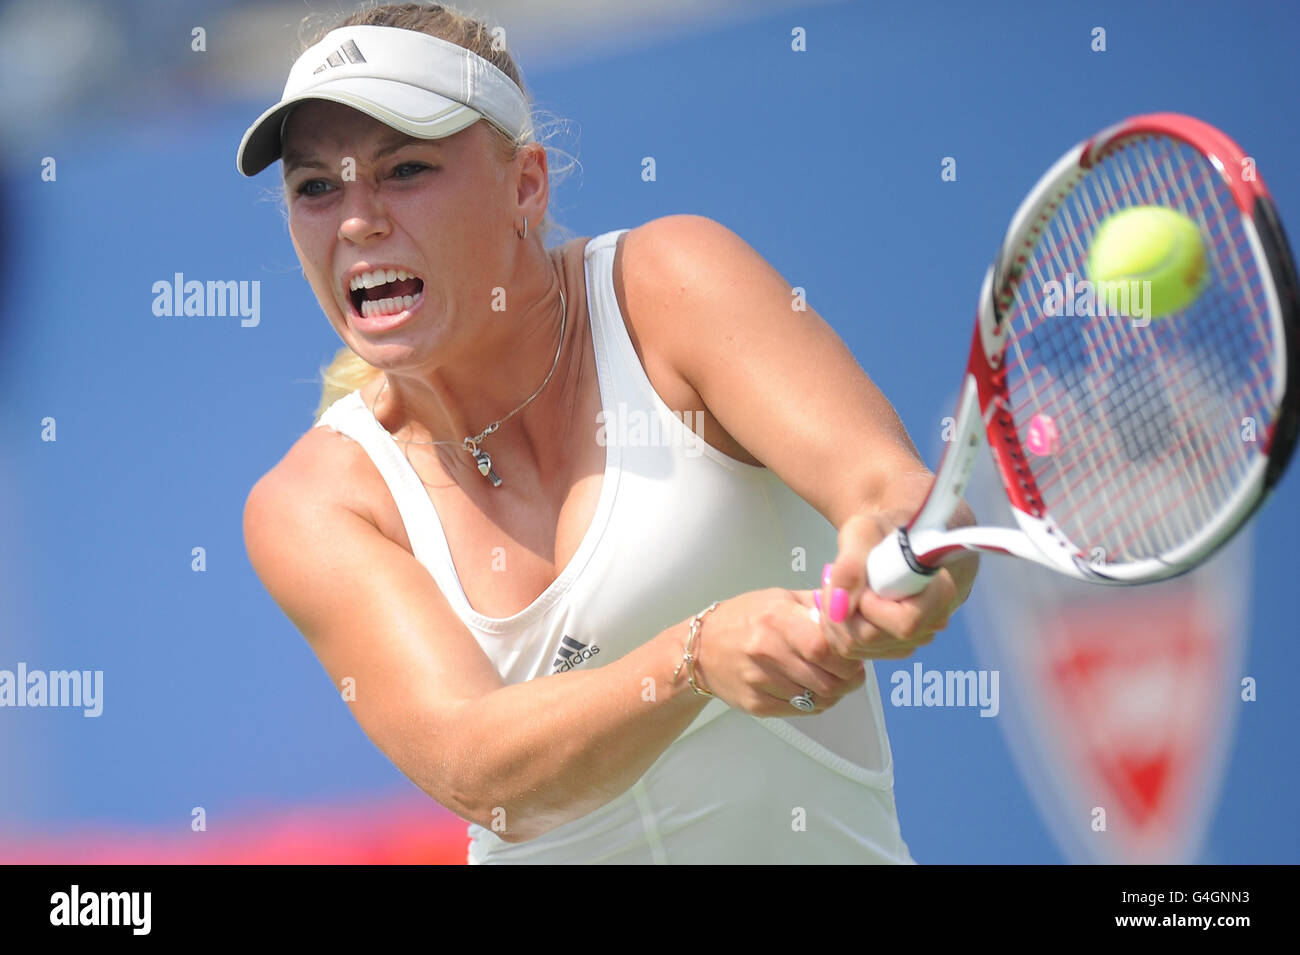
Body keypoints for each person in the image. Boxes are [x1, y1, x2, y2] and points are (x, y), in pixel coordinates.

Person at [239, 2, 977, 864]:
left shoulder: (672, 285)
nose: (357, 219)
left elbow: (889, 490)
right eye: (316, 186)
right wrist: (694, 657)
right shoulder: (312, 505)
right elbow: (479, 767)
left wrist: (902, 557)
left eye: (405, 169)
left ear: (525, 185)